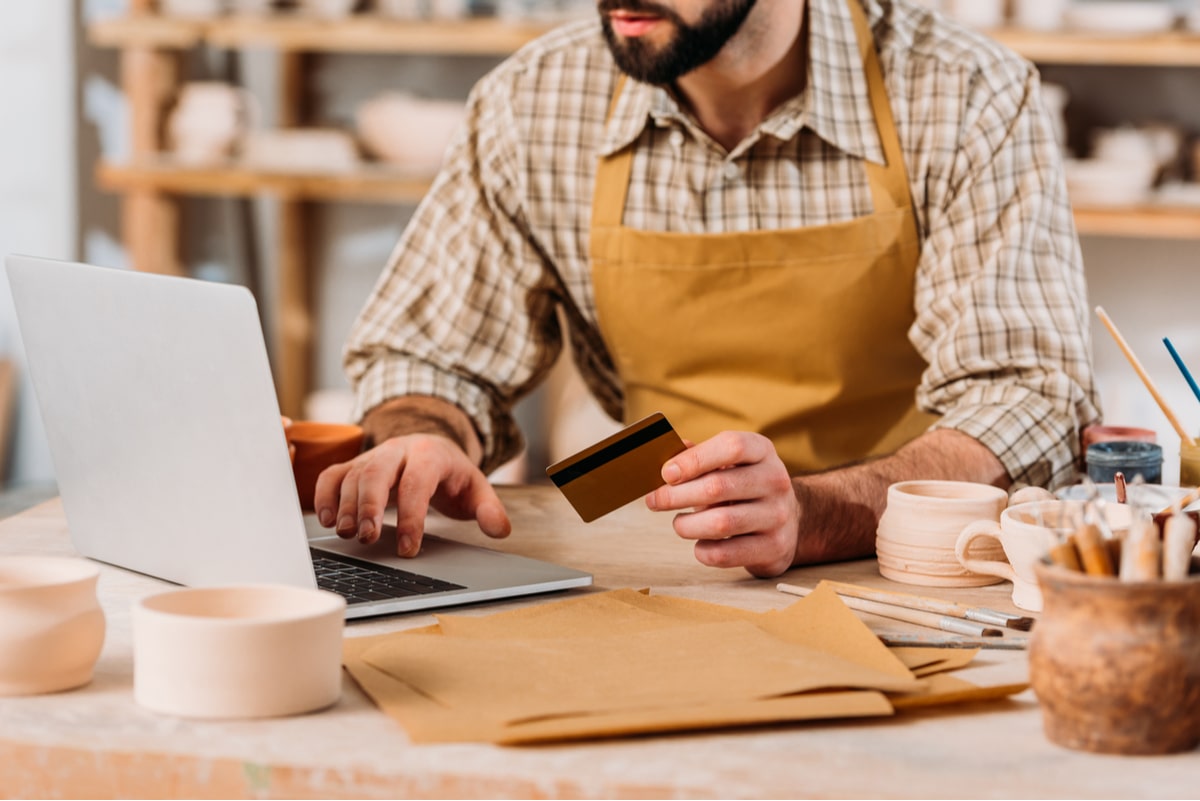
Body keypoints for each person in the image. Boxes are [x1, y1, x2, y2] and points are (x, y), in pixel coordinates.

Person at [315, 0, 1100, 578]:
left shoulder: (965, 92)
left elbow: (1028, 397)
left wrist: (813, 512)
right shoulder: (534, 101)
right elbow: (430, 358)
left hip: (900, 559)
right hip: (653, 545)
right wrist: (424, 432)